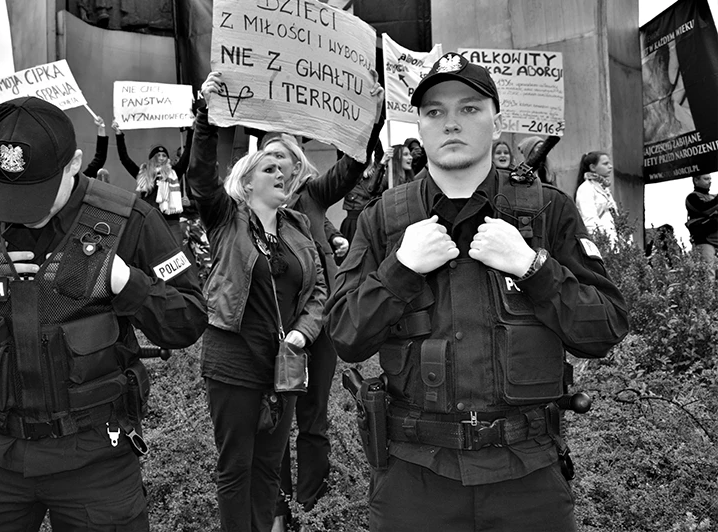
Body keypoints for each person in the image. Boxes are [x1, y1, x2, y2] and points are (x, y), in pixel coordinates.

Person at [327, 52, 629, 531]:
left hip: (527, 478)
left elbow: (605, 328)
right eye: (435, 112)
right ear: (421, 127)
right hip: (415, 480)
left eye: (469, 108)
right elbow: (345, 336)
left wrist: (533, 268)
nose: (451, 123)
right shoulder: (382, 219)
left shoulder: (547, 211)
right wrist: (400, 271)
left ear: (496, 123)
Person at [0, 96, 207, 531]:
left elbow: (189, 318)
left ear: (74, 164)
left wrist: (127, 283)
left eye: (38, 193)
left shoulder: (130, 219)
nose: (25, 210)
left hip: (96, 455)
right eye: (12, 194)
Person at [191, 72, 328, 532]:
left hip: (284, 362)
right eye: (269, 167)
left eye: (285, 170)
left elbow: (319, 293)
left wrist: (302, 332)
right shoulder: (226, 219)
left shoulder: (298, 230)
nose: (281, 173)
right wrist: (206, 118)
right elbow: (201, 178)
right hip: (233, 359)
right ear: (246, 183)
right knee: (237, 468)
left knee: (270, 466)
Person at [257, 77, 384, 527]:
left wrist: (371, 117)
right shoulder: (249, 207)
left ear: (299, 166)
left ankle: (309, 507)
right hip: (269, 328)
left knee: (312, 417)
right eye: (269, 156)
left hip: (319, 321)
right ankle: (277, 510)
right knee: (271, 421)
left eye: (285, 157)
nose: (278, 164)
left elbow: (353, 165)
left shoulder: (314, 194)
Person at [0, 114, 110, 195]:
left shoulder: (75, 179)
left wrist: (101, 129)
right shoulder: (30, 184)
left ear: (73, 163)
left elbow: (99, 158)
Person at [113, 119, 193, 242]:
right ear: (151, 159)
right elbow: (125, 159)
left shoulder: (174, 173)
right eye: (157, 155)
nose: (161, 158)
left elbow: (186, 156)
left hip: (170, 222)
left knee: (176, 256)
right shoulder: (143, 175)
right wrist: (119, 135)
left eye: (164, 155)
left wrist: (191, 131)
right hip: (148, 222)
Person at [575, 151, 618, 241]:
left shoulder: (604, 188)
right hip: (602, 242)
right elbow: (590, 222)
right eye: (605, 164)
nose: (610, 166)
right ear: (593, 167)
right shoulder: (586, 189)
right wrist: (602, 242)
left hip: (615, 240)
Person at [685, 173, 718, 277]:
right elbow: (705, 209)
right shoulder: (692, 197)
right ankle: (707, 293)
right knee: (708, 273)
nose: (709, 181)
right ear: (696, 180)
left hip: (715, 238)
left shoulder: (713, 197)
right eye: (706, 178)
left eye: (710, 178)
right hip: (704, 240)